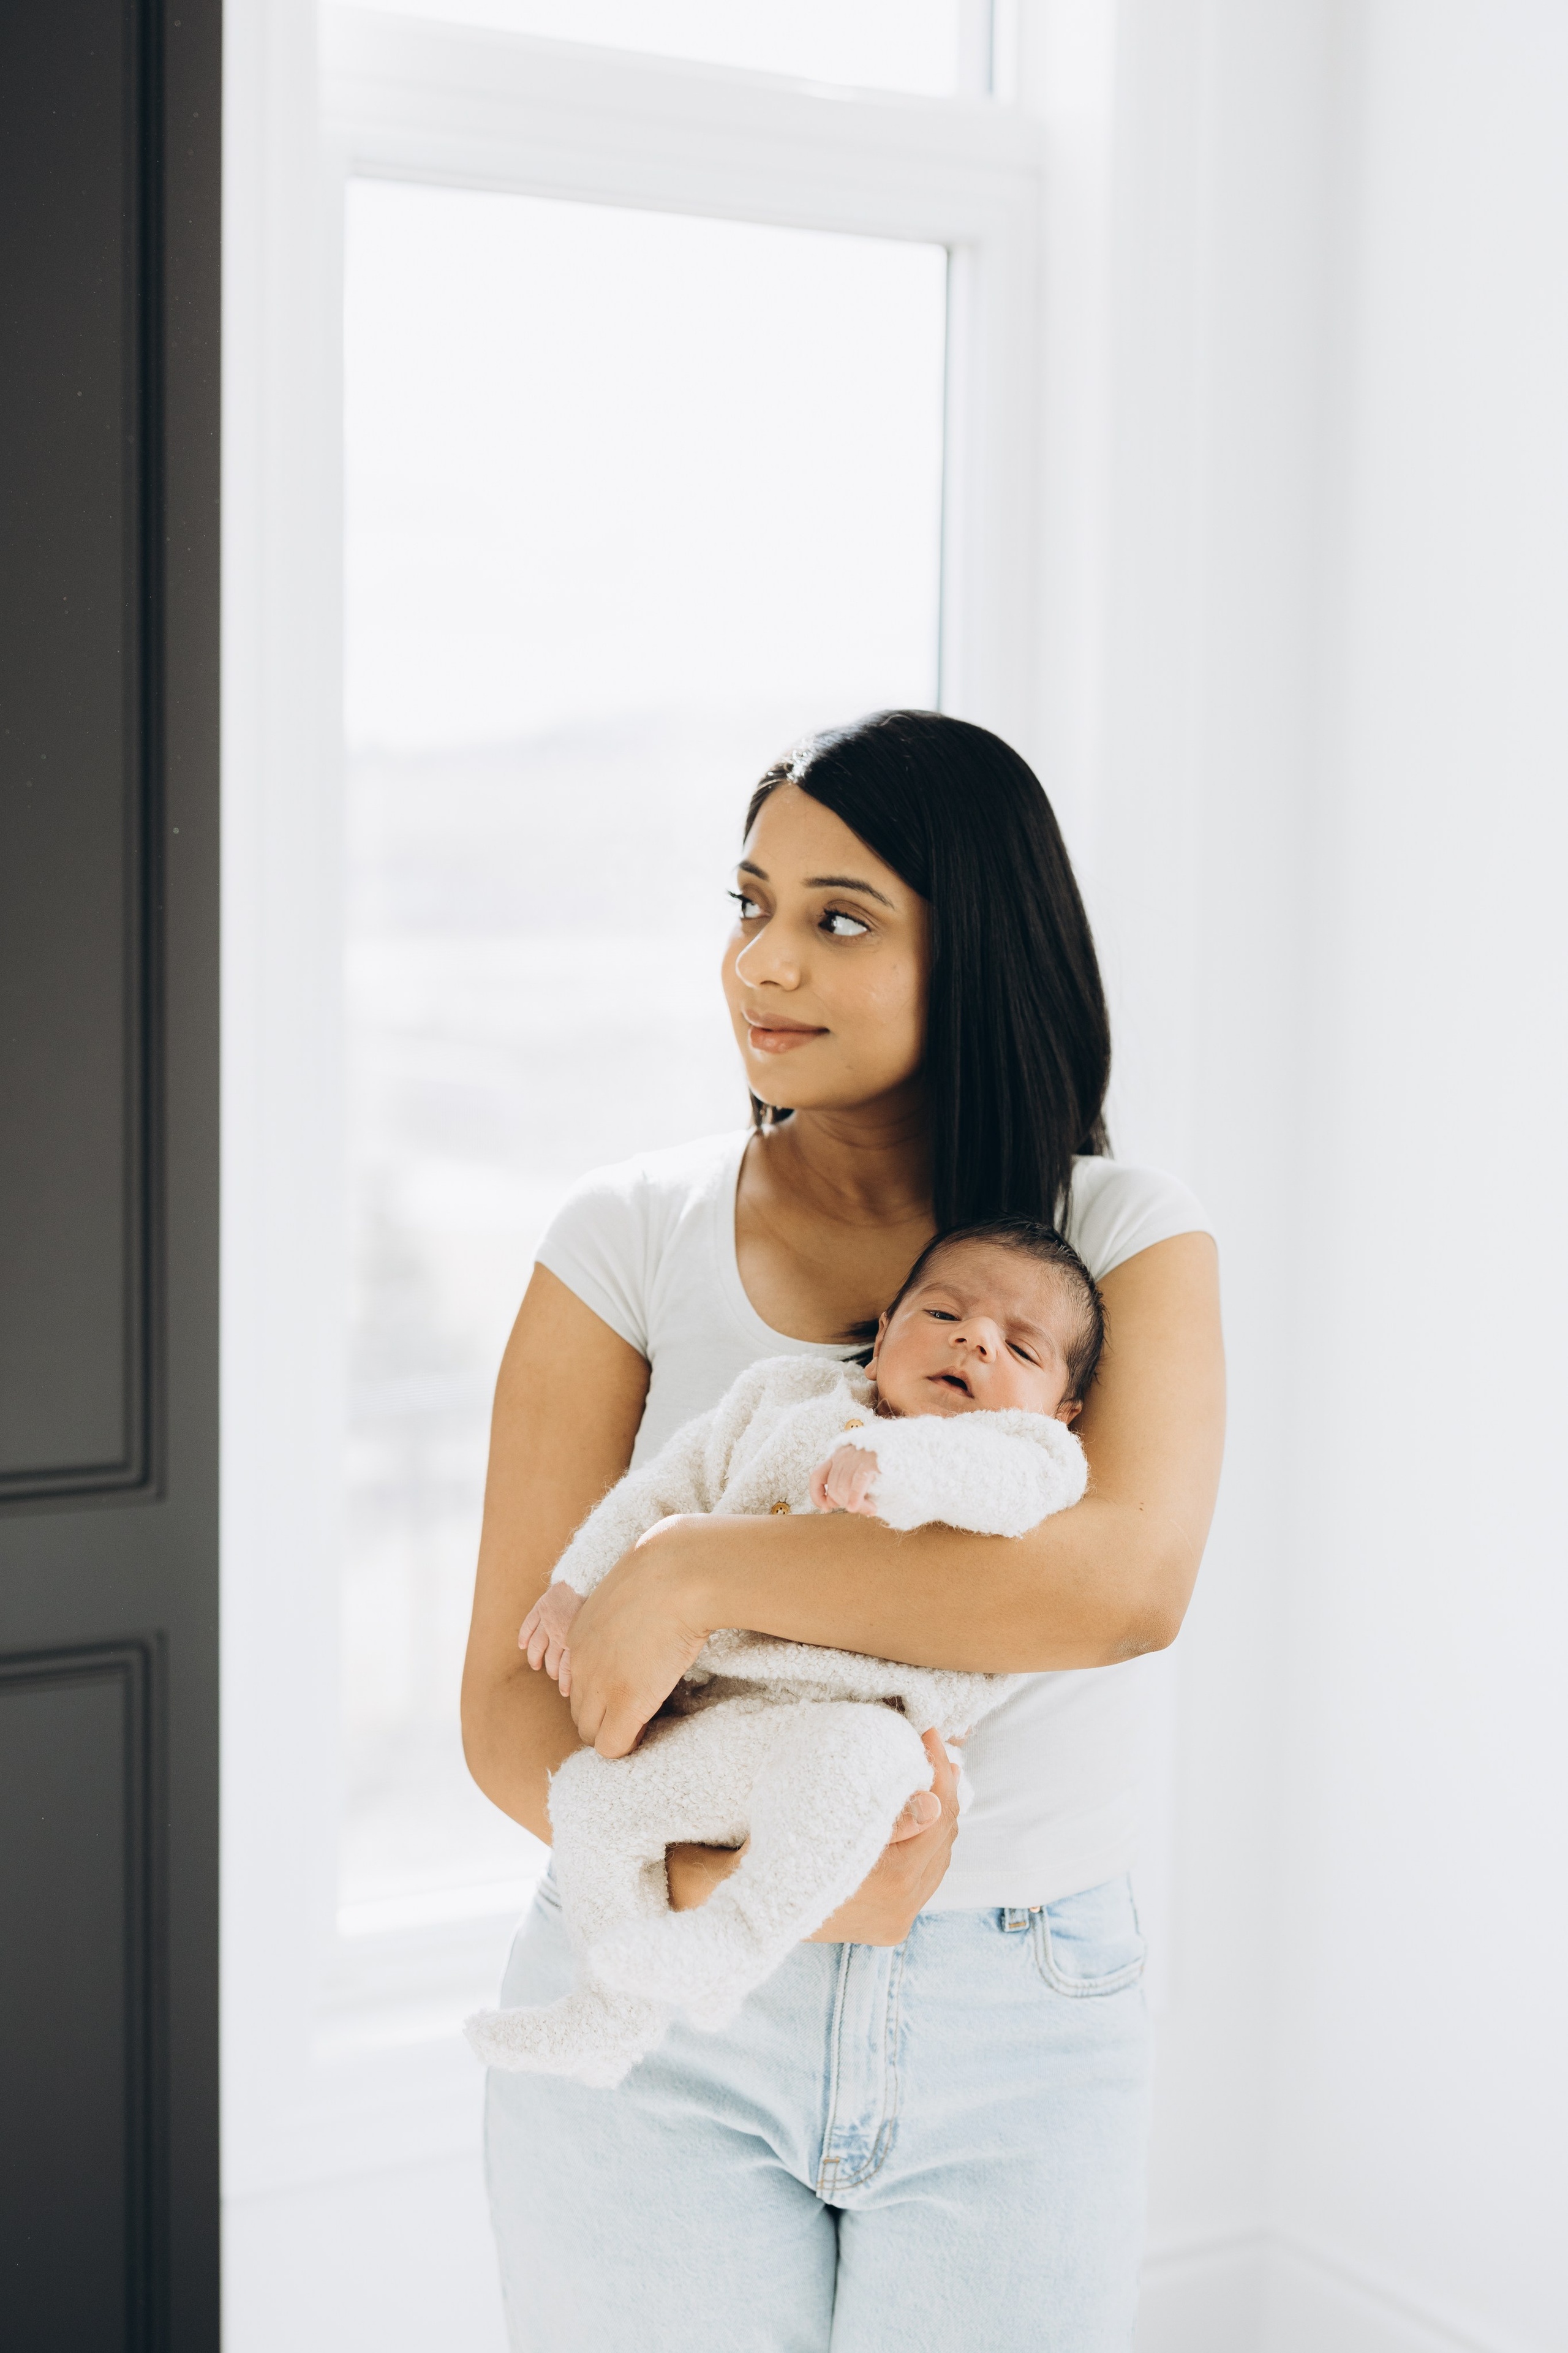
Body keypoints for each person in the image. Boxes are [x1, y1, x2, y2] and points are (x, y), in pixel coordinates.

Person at [462, 710, 1225, 2351]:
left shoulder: (1120, 1239)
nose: (764, 962)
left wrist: (691, 1571)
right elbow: (511, 1708)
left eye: (840, 917)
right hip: (658, 2010)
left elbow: (1121, 1584)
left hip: (1018, 2016)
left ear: (981, 949)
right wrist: (741, 1886)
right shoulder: (625, 1238)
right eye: (749, 905)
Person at [467, 1219, 1101, 2088]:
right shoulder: (776, 1396)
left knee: (853, 1763)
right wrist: (579, 1583)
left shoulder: (1029, 1452)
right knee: (592, 1801)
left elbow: (998, 1487)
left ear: (1063, 1409)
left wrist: (897, 1466)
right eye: (945, 1311)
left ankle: (736, 1937)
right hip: (727, 1728)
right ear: (880, 1339)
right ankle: (608, 2011)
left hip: (871, 1727)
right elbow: (661, 1492)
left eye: (1021, 1348)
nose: (975, 1338)